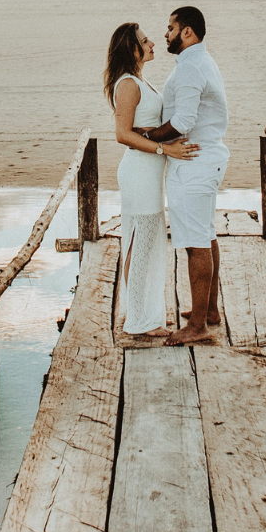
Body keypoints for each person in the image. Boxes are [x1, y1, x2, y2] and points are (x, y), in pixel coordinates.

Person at [138, 5, 228, 346]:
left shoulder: (192, 68)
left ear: (187, 32)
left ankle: (198, 329)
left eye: (170, 28)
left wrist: (146, 137)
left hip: (195, 162)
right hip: (203, 158)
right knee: (205, 233)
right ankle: (210, 311)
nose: (165, 34)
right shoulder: (199, 61)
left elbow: (183, 123)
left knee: (195, 243)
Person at [104, 22, 197, 338]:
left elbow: (140, 126)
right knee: (139, 243)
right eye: (145, 41)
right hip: (139, 173)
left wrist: (159, 139)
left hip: (147, 172)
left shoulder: (141, 81)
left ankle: (142, 314)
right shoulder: (128, 84)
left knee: (147, 242)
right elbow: (122, 134)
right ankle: (140, 322)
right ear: (131, 48)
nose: (153, 43)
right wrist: (164, 148)